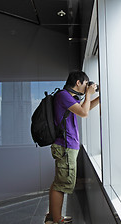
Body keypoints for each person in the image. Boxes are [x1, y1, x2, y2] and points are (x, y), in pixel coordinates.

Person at [45, 71, 99, 224]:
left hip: (66, 146)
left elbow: (84, 108)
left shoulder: (66, 97)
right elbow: (83, 113)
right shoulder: (63, 96)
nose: (86, 87)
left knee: (59, 183)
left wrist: (98, 99)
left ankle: (53, 216)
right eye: (85, 84)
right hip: (65, 146)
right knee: (61, 185)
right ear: (78, 83)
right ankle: (56, 220)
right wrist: (89, 93)